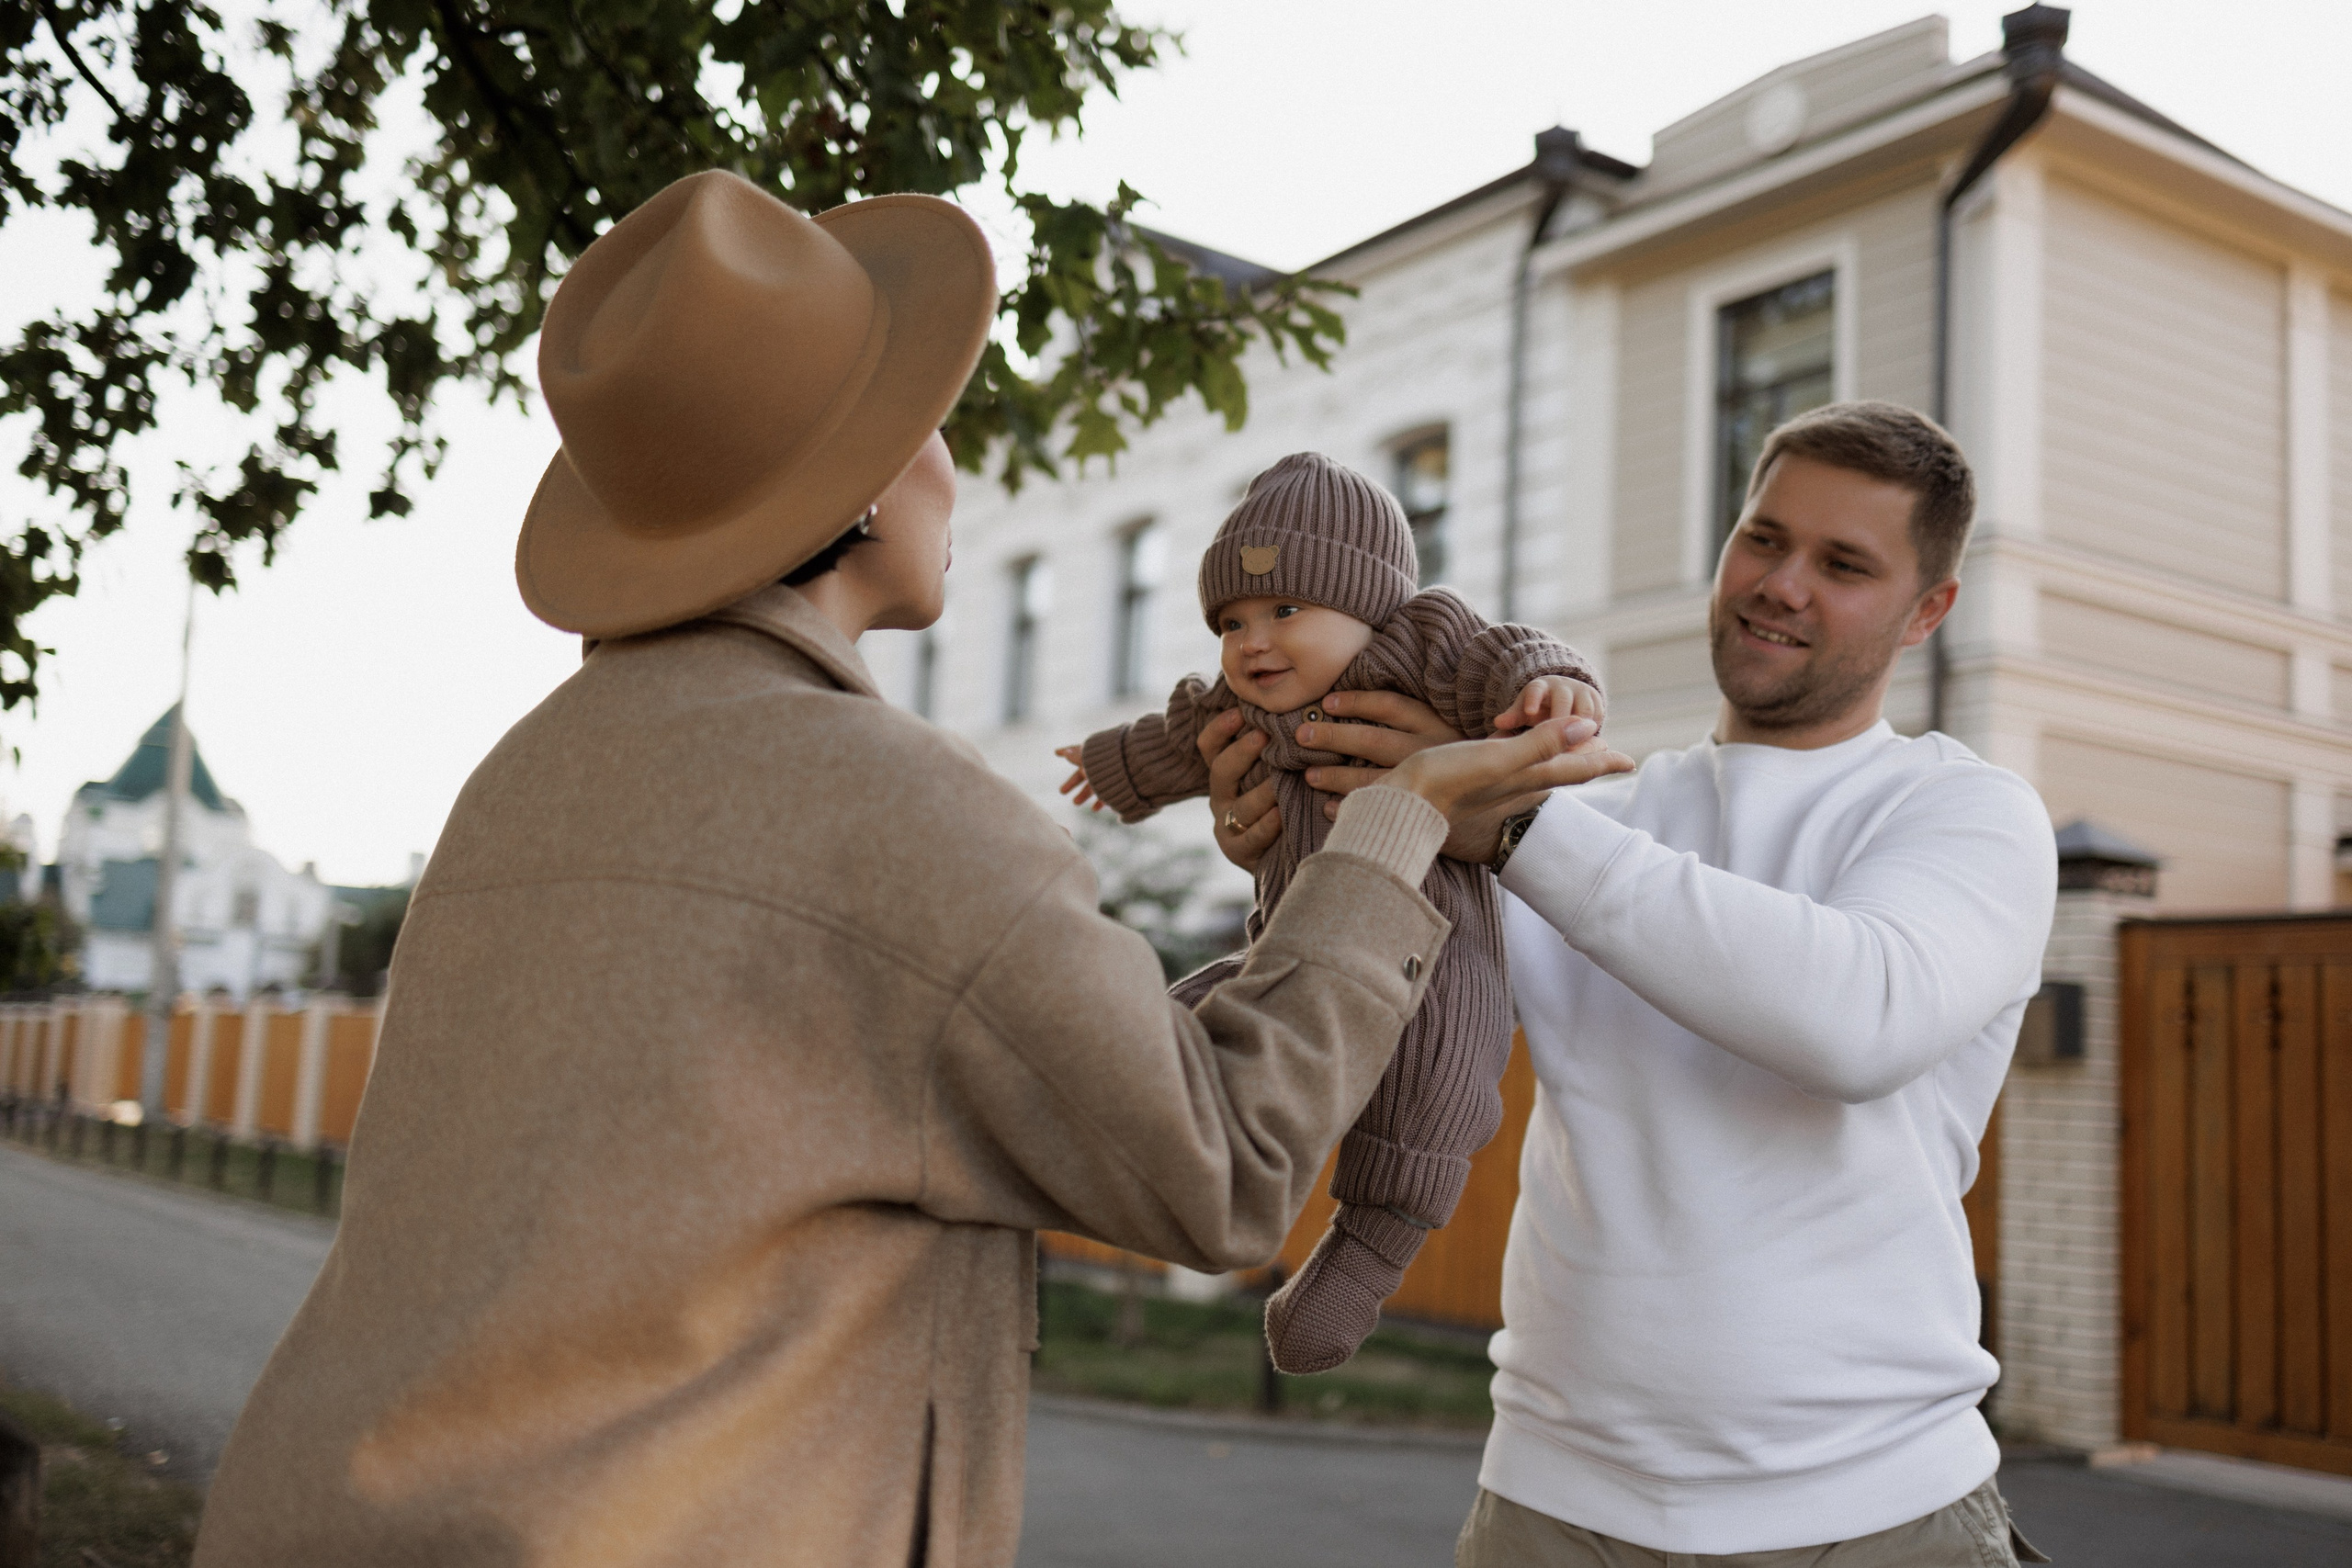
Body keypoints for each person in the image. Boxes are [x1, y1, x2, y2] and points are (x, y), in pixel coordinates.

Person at [188, 170, 1627, 1568]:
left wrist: (1263, 878)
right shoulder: (910, 813)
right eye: (928, 420)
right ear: (866, 488)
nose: (954, 457)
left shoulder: (520, 779)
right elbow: (1225, 1165)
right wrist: (1401, 822)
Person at [1208, 402, 2057, 1566]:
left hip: (1873, 1512)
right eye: (1763, 539)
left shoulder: (1964, 811)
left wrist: (1511, 830)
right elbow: (1373, 1031)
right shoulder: (1589, 817)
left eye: (1843, 564)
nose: (1781, 584)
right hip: (1553, 1504)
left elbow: (1859, 1023)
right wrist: (1297, 843)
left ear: (1928, 611)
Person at [1056, 451, 1605, 1372]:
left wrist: (1553, 686)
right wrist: (1116, 765)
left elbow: (1506, 654)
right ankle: (1144, 1109)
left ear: (1369, 606)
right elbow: (1183, 741)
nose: (1253, 641)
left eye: (1284, 612)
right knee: (1202, 1018)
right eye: (1230, 622)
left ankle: (1359, 1258)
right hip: (1293, 947)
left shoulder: (1420, 649)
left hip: (1431, 964)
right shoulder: (1244, 703)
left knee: (1423, 1109)